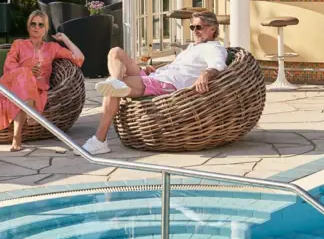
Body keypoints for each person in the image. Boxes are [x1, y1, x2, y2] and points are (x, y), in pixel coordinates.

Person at [82, 11, 228, 155]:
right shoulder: (192, 47)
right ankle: (116, 81)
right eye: (192, 27)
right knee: (115, 52)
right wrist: (155, 69)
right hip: (156, 76)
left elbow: (218, 65)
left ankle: (100, 140)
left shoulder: (213, 48)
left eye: (199, 27)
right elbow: (178, 67)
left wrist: (205, 74)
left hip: (166, 84)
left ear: (212, 28)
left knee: (110, 88)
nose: (195, 31)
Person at [0, 10, 84, 151]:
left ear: (46, 29)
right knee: (25, 77)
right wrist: (27, 71)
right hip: (15, 84)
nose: (36, 27)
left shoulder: (52, 48)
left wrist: (65, 39)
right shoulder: (18, 44)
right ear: (28, 26)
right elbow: (9, 65)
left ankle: (18, 136)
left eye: (41, 25)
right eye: (33, 24)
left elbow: (79, 58)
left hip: (38, 88)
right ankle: (30, 115)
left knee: (24, 93)